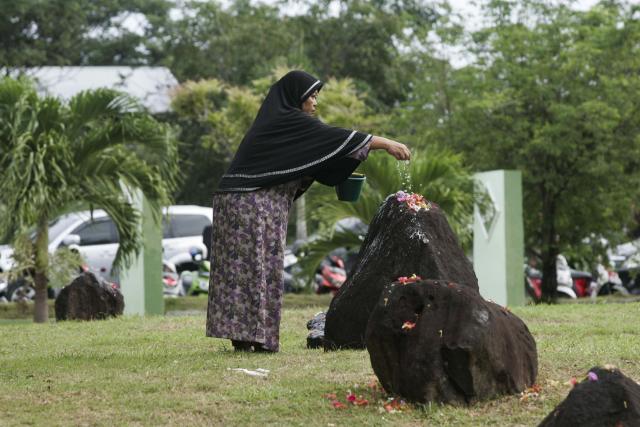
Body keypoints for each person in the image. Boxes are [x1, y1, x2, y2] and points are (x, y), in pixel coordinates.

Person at [206, 70, 410, 352]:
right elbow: (333, 137)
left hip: (246, 203)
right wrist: (385, 143)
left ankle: (253, 338)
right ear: (295, 97)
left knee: (258, 269)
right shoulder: (288, 121)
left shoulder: (282, 123)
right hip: (250, 204)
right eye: (311, 95)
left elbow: (322, 153)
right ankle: (253, 338)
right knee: (252, 270)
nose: (315, 102)